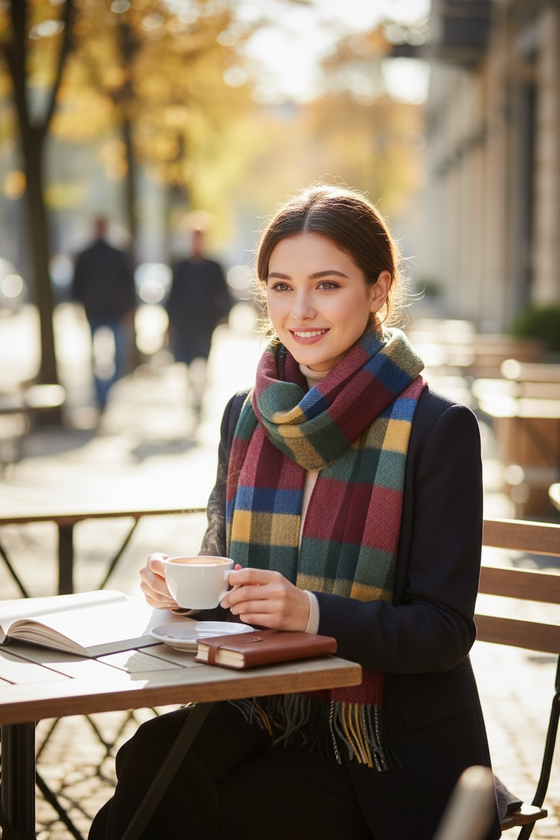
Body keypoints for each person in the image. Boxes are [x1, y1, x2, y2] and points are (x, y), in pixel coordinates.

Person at [89, 185, 501, 840]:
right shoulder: (246, 417)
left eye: (327, 285)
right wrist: (181, 592)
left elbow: (443, 631)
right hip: (261, 707)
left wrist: (310, 612)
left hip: (382, 742)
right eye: (281, 286)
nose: (300, 310)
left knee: (222, 812)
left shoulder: (436, 428)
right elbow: (229, 587)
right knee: (153, 759)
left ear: (377, 290)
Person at [166, 221, 231, 418]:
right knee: (185, 359)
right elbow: (173, 295)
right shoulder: (181, 266)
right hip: (184, 322)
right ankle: (191, 390)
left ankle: (199, 393)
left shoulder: (214, 266)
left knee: (202, 358)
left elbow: (224, 293)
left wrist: (224, 315)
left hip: (206, 321)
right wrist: (169, 321)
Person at [72, 216, 136, 411]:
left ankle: (105, 392)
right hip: (94, 312)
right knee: (95, 358)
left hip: (114, 313)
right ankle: (100, 396)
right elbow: (77, 284)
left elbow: (127, 283)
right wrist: (78, 306)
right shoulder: (85, 254)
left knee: (118, 359)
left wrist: (129, 310)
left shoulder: (117, 253)